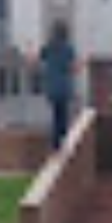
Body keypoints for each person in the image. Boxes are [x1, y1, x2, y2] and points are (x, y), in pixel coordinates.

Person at [39, 21, 77, 150]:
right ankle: (62, 141)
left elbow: (37, 60)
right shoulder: (68, 49)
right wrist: (83, 64)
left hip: (52, 87)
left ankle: (56, 143)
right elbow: (72, 68)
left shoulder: (48, 47)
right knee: (63, 116)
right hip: (64, 88)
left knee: (56, 115)